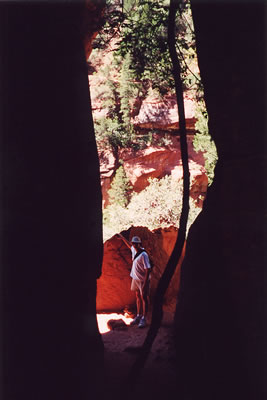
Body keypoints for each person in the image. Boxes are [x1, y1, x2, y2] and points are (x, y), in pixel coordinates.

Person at [118, 233, 151, 328]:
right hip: (135, 278)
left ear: (140, 243)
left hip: (142, 280)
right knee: (137, 296)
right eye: (133, 243)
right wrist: (121, 237)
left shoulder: (144, 255)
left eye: (136, 243)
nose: (135, 245)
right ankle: (138, 316)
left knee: (144, 298)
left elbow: (148, 269)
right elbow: (129, 245)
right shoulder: (134, 250)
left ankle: (144, 318)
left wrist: (145, 283)